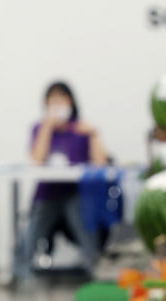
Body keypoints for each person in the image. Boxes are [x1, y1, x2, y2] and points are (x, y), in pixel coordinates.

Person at [17, 80, 108, 282]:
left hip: (75, 193)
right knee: (33, 228)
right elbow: (37, 159)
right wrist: (47, 127)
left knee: (84, 222)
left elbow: (101, 163)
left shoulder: (81, 129)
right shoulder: (40, 128)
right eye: (53, 101)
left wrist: (94, 134)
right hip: (47, 193)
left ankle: (94, 269)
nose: (58, 106)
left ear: (71, 102)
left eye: (62, 100)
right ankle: (21, 272)